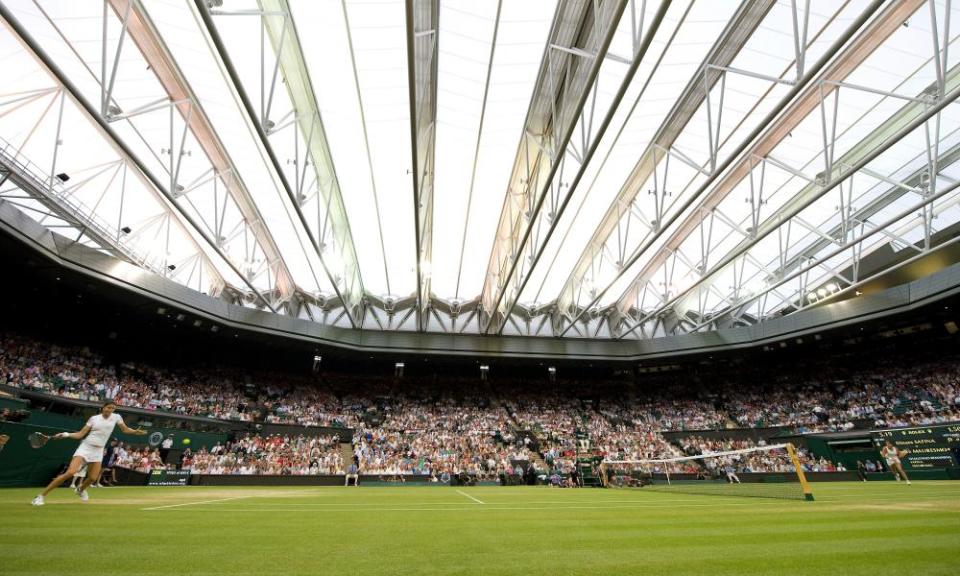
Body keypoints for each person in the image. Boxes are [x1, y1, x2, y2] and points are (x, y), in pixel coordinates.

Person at [31, 401, 147, 506]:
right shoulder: (94, 419)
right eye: (108, 407)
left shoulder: (117, 417)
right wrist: (66, 434)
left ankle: (80, 490)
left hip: (99, 450)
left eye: (113, 408)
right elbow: (80, 434)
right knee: (71, 472)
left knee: (93, 477)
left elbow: (125, 429)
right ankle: (40, 496)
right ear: (103, 408)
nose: (110, 410)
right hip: (86, 447)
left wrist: (135, 432)